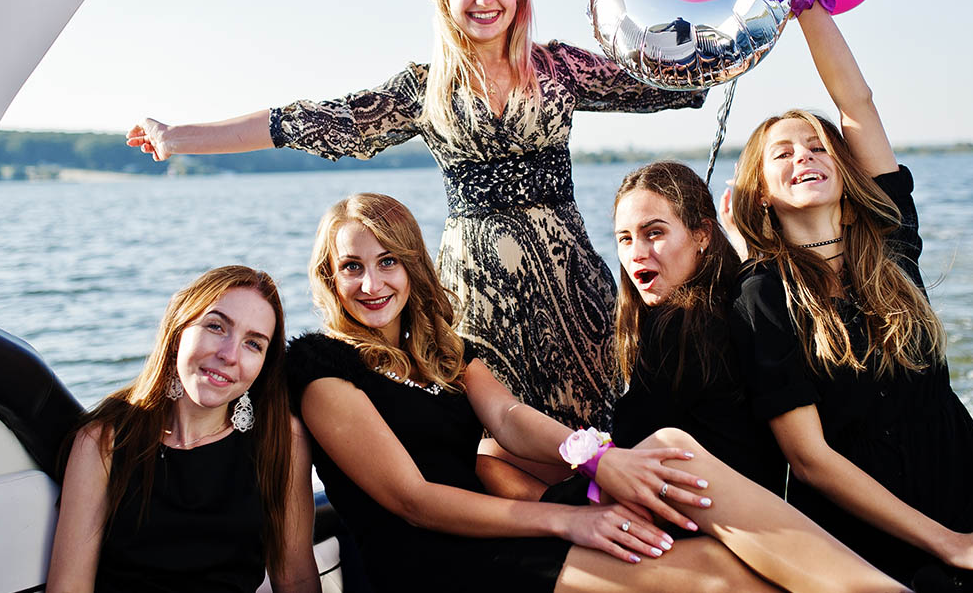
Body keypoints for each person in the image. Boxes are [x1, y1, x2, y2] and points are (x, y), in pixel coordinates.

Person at [126, 0, 706, 430]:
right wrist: (179, 138)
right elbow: (313, 121)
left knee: (603, 413)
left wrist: (713, 15)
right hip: (478, 287)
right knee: (498, 425)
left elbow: (667, 82)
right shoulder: (423, 88)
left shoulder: (559, 67)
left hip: (569, 279)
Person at [288, 191, 914, 593]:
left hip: (505, 530)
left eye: (388, 261)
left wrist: (599, 459)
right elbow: (414, 501)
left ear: (412, 266)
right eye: (352, 267)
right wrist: (570, 520)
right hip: (440, 563)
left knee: (671, 450)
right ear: (329, 277)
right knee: (719, 575)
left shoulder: (448, 353)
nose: (372, 283)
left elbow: (508, 418)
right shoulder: (324, 367)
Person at [725, 0, 973, 591]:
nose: (805, 156)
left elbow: (855, 101)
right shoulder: (762, 296)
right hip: (863, 530)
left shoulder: (891, 245)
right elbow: (809, 459)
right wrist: (951, 545)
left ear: (845, 169)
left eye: (818, 147)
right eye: (783, 153)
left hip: (966, 488)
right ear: (760, 192)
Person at [46, 266, 319, 593]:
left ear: (263, 365)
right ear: (178, 332)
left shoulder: (281, 439)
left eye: (253, 344)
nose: (229, 355)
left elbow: (295, 578)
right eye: (216, 327)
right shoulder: (103, 441)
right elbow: (69, 586)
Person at [610, 160, 787, 496]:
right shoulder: (741, 299)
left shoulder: (677, 324)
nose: (636, 253)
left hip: (706, 515)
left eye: (654, 233)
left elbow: (627, 446)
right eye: (625, 239)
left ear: (702, 234)